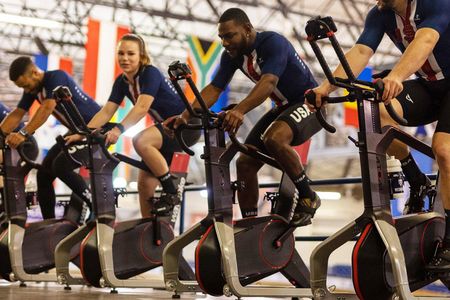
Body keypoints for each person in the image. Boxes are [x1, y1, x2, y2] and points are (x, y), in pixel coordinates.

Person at [307, 0, 450, 272]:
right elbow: (362, 49)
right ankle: (416, 179)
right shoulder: (381, 14)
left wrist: (396, 76)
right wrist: (325, 88)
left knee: (443, 149)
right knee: (376, 115)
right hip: (429, 87)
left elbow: (426, 38)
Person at [168, 8, 323, 227]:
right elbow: (214, 88)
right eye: (221, 37)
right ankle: (251, 226)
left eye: (229, 35)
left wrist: (240, 110)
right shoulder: (231, 56)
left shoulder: (272, 42)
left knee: (274, 138)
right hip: (282, 106)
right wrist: (185, 116)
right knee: (245, 163)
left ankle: (309, 196)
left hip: (310, 103)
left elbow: (269, 82)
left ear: (248, 29)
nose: (224, 42)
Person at [65, 33, 198, 218]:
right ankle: (148, 232)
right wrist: (82, 133)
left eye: (131, 54)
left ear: (141, 55)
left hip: (186, 125)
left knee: (140, 140)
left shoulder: (149, 73)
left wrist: (118, 130)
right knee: (144, 184)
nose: (125, 58)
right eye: (121, 53)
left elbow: (142, 107)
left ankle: (170, 191)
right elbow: (106, 112)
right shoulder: (121, 82)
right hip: (165, 132)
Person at [3, 56, 101, 220]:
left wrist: (23, 133)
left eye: (26, 85)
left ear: (34, 72)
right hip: (76, 133)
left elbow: (48, 106)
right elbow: (17, 114)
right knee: (44, 174)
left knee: (60, 166)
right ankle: (49, 223)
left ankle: (97, 207)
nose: (26, 90)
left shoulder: (56, 77)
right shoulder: (33, 89)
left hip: (95, 131)